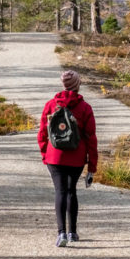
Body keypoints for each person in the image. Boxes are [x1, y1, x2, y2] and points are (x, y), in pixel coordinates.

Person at [37, 69, 98, 248]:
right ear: (78, 85)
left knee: (60, 192)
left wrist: (45, 155)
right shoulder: (85, 108)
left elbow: (42, 134)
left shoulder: (51, 105)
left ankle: (61, 233)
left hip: (54, 157)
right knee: (71, 192)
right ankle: (72, 232)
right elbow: (91, 138)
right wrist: (92, 166)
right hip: (77, 158)